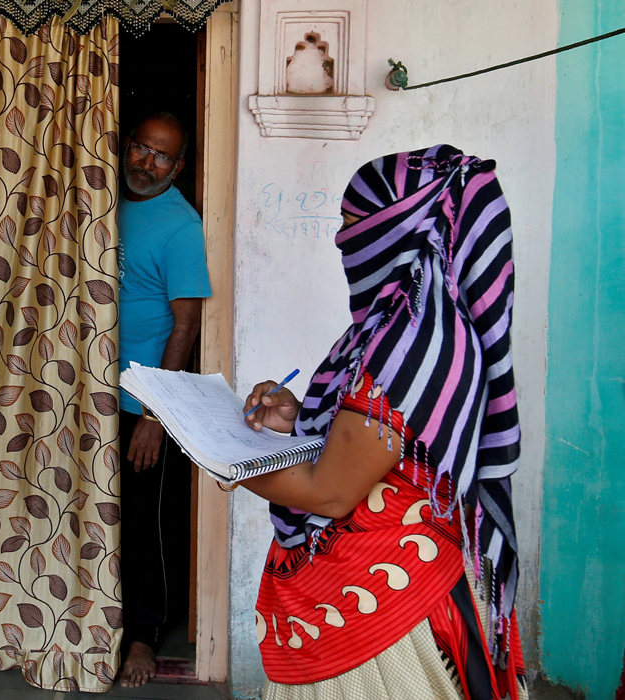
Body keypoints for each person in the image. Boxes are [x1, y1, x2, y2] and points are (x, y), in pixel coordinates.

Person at [238, 145, 527, 698]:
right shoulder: (404, 327)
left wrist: (215, 457)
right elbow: (389, 439)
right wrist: (300, 417)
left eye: (352, 224)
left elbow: (328, 494)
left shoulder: (409, 341)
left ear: (396, 228)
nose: (343, 240)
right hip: (398, 578)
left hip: (383, 608)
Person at [116, 112, 212, 687]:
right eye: (142, 149)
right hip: (85, 392)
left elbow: (187, 324)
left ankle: (143, 637)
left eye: (161, 157)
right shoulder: (96, 193)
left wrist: (156, 412)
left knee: (146, 524)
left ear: (178, 167)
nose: (146, 164)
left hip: (140, 400)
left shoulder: (181, 226)